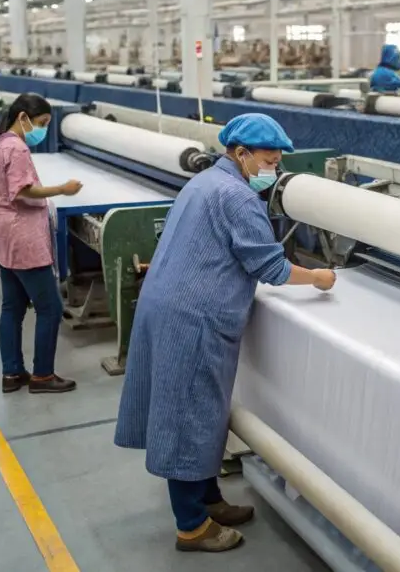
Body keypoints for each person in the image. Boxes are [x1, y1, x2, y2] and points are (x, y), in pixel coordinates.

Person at [114, 113, 337, 553]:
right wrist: (319, 278)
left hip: (169, 302)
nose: (274, 168)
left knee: (203, 411)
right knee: (190, 414)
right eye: (269, 160)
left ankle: (209, 498)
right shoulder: (236, 197)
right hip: (193, 316)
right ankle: (192, 525)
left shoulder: (203, 183)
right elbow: (270, 267)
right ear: (241, 154)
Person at [0, 93, 82, 394]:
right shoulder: (16, 148)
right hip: (23, 238)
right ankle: (42, 376)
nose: (41, 130)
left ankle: (12, 373)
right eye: (41, 124)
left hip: (3, 235)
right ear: (23, 117)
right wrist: (62, 189)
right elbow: (24, 191)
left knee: (12, 307)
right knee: (50, 308)